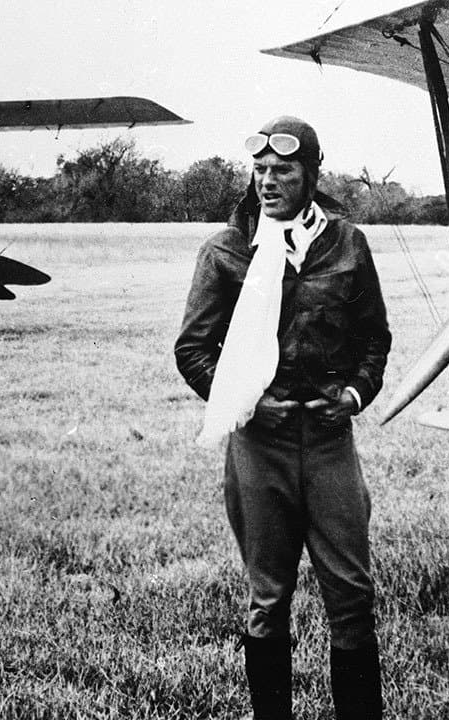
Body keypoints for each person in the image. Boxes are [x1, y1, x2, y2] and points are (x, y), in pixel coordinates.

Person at [174, 116, 391, 720]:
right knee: (267, 600)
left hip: (327, 442)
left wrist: (354, 395)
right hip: (258, 445)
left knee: (352, 597)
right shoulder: (226, 250)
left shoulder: (347, 244)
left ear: (312, 174)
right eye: (260, 171)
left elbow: (374, 338)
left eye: (283, 171)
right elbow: (192, 349)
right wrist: (245, 402)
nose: (267, 182)